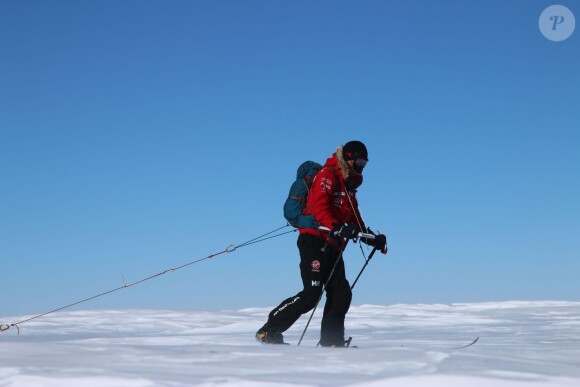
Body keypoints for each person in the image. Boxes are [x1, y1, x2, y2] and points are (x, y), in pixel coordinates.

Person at [256, 140, 387, 346]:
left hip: (333, 245)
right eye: (359, 162)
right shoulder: (328, 175)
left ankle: (331, 342)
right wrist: (336, 226)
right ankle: (268, 331)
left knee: (341, 293)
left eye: (365, 164)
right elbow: (319, 207)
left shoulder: (347, 185)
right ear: (348, 158)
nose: (362, 168)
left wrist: (371, 237)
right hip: (314, 240)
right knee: (311, 294)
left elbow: (354, 216)